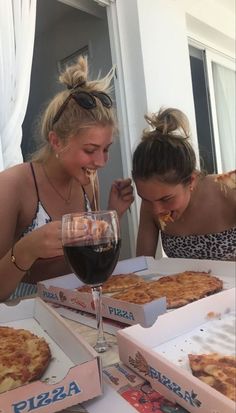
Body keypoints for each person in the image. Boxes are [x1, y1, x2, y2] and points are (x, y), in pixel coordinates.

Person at [0, 56, 133, 301]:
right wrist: (27, 249)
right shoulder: (12, 185)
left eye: (106, 149)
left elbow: (90, 260)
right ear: (56, 141)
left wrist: (114, 213)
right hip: (26, 310)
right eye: (91, 150)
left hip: (76, 301)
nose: (102, 162)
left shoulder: (88, 182)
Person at [132, 107, 236, 261]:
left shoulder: (229, 189)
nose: (156, 210)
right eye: (145, 199)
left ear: (191, 181)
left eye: (166, 199)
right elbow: (142, 267)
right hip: (182, 285)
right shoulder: (152, 202)